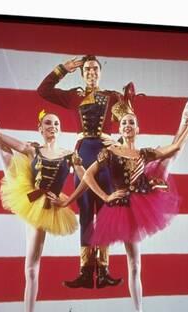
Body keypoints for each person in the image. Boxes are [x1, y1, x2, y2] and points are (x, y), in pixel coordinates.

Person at [0, 75, 87, 312]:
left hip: (45, 205)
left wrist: (67, 199)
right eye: (48, 123)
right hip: (27, 190)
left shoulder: (69, 154)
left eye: (56, 123)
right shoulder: (33, 148)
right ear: (40, 128)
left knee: (32, 265)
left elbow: (86, 179)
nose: (52, 126)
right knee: (2, 151)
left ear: (60, 129)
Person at [82, 93, 188, 312]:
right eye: (124, 122)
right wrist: (105, 197)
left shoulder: (144, 153)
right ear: (120, 127)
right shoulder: (110, 152)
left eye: (131, 122)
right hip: (121, 208)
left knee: (135, 264)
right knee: (132, 262)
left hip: (142, 202)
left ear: (137, 128)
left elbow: (175, 146)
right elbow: (87, 175)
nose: (127, 125)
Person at [38, 55, 130, 289]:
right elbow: (44, 90)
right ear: (82, 73)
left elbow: (130, 122)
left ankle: (104, 269)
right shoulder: (73, 96)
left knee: (106, 209)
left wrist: (116, 140)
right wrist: (63, 69)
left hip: (106, 156)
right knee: (87, 210)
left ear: (100, 72)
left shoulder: (113, 97)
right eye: (87, 69)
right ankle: (86, 271)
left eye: (94, 69)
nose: (91, 73)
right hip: (84, 154)